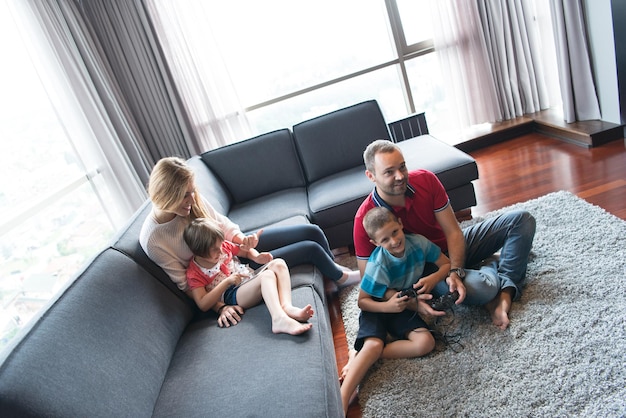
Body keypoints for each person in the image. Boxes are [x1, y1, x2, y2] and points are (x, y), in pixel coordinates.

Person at [140, 157, 360, 328]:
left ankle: (334, 270)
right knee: (310, 249)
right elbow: (187, 284)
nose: (192, 199)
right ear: (166, 195)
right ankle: (341, 277)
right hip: (229, 273)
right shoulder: (154, 239)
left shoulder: (192, 198)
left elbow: (222, 225)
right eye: (184, 196)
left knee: (311, 231)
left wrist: (243, 241)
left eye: (192, 192)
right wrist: (220, 307)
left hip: (232, 251)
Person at [353, 140, 536, 330]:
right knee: (483, 289)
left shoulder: (426, 180)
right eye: (389, 172)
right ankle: (491, 264)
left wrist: (455, 271)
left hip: (452, 247)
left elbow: (453, 231)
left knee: (522, 220)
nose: (400, 176)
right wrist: (410, 301)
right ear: (371, 176)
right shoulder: (364, 219)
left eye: (402, 167)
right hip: (426, 271)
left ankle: (505, 295)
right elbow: (371, 280)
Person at [340, 207, 451, 415]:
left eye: (394, 232)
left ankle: (361, 356)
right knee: (373, 345)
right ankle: (343, 397)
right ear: (375, 243)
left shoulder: (418, 243)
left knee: (426, 343)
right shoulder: (377, 264)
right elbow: (362, 302)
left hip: (400, 303)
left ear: (400, 224)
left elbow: (446, 263)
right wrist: (386, 307)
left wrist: (433, 278)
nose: (393, 241)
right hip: (376, 307)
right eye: (384, 240)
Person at [183, 217, 313, 335]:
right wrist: (227, 282)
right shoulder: (194, 273)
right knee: (267, 276)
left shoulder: (222, 246)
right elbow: (203, 304)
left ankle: (286, 307)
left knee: (279, 263)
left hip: (248, 278)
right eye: (215, 250)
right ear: (199, 253)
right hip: (233, 294)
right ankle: (279, 319)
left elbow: (243, 252)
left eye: (220, 245)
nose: (221, 250)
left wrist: (257, 257)